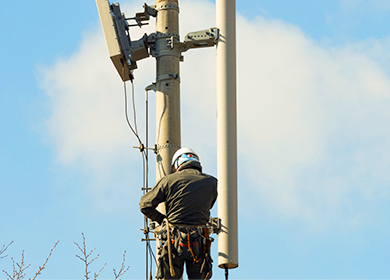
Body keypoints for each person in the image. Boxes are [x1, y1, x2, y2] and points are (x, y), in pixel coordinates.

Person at [140, 147, 218, 280]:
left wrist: (162, 220)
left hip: (173, 242)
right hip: (199, 243)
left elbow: (145, 205)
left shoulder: (169, 180)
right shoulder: (212, 182)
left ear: (177, 164)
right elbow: (208, 206)